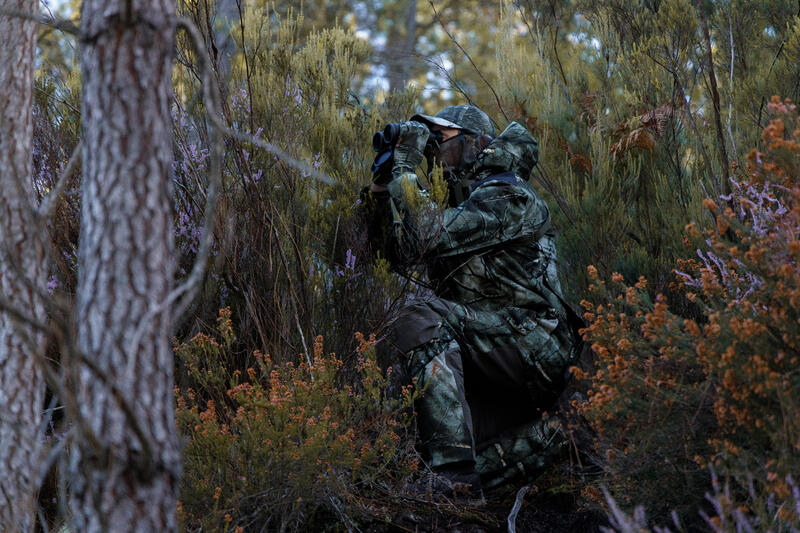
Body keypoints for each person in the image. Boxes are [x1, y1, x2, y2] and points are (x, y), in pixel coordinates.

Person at [363, 105, 583, 502]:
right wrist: (383, 187)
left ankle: (455, 477)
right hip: (494, 355)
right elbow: (395, 252)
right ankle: (551, 440)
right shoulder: (464, 200)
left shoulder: (508, 194)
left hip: (537, 346)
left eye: (440, 139)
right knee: (418, 448)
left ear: (477, 143)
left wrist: (406, 169)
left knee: (416, 314)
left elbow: (425, 235)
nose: (433, 149)